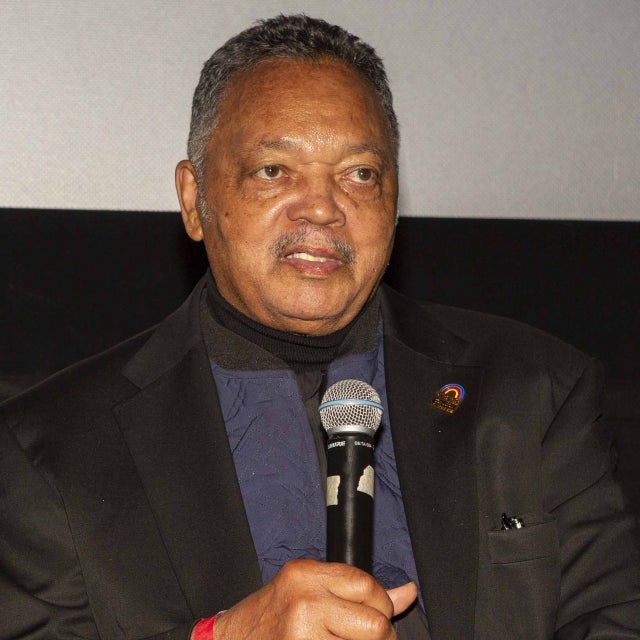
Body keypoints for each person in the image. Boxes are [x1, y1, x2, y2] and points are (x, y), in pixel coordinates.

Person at [1, 14, 639, 640]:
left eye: (359, 174)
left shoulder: (532, 394)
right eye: (273, 171)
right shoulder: (52, 449)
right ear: (195, 200)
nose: (322, 209)